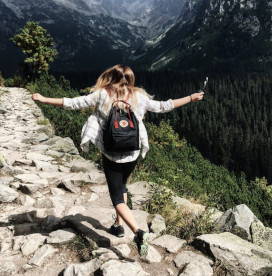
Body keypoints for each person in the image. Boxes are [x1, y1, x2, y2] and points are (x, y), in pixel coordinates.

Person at [32, 64, 204, 256]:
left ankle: (138, 233)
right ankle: (117, 225)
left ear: (110, 77)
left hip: (111, 154)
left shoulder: (102, 95)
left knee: (116, 197)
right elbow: (165, 106)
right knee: (123, 186)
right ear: (131, 79)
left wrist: (43, 99)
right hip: (132, 152)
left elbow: (73, 102)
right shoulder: (139, 96)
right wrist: (191, 97)